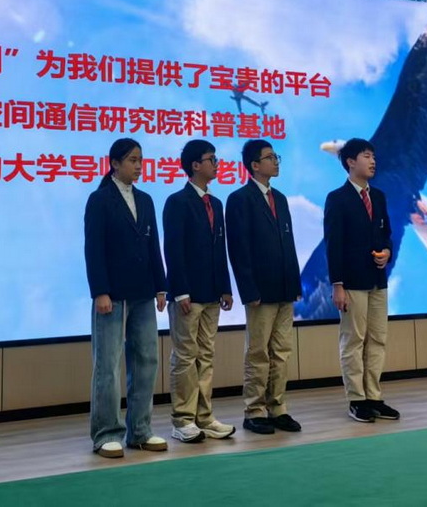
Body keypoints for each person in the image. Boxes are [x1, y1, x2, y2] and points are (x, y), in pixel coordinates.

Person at [84, 138, 169, 458]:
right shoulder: (100, 199)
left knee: (147, 360)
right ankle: (106, 432)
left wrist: (161, 286)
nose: (138, 165)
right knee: (107, 364)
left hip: (143, 292)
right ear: (115, 164)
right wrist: (100, 291)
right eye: (132, 160)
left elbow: (153, 245)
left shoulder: (145, 199)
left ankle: (141, 430)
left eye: (140, 160)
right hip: (112, 294)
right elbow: (93, 249)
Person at [226, 139, 303, 435]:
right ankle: (254, 410)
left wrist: (295, 283)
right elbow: (238, 249)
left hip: (284, 287)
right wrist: (249, 290)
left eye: (276, 156)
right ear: (255, 165)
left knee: (282, 351)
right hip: (260, 290)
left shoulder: (280, 198)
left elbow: (289, 243)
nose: (276, 161)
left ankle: (278, 407)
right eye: (270, 157)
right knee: (258, 352)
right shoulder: (240, 199)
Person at [163, 139, 236, 443]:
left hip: (212, 293)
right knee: (185, 356)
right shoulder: (177, 202)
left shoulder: (216, 204)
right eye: (211, 159)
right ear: (195, 165)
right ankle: (182, 419)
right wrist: (180, 291)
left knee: (206, 355)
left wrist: (225, 287)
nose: (216, 164)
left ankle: (204, 417)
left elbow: (220, 249)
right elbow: (173, 249)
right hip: (188, 295)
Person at [325, 137, 400, 423]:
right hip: (352, 282)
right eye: (366, 156)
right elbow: (333, 244)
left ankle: (374, 397)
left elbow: (386, 234)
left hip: (378, 279)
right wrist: (337, 284)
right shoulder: (337, 198)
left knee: (377, 339)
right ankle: (357, 399)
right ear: (350, 162)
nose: (373, 161)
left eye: (373, 156)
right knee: (353, 341)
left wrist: (387, 252)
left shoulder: (378, 196)